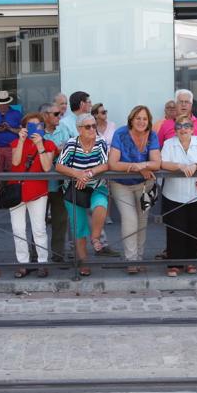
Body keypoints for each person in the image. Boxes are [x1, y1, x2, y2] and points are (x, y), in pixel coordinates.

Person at [160, 113, 197, 276]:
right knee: (175, 228)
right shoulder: (169, 143)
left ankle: (192, 260)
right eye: (179, 126)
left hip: (196, 193)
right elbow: (162, 163)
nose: (182, 129)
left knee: (194, 228)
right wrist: (179, 166)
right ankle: (174, 263)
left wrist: (196, 165)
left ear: (192, 129)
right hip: (173, 193)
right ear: (175, 130)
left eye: (186, 126)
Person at [55, 113, 110, 277]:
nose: (92, 129)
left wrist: (89, 173)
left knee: (101, 205)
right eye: (88, 127)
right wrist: (77, 174)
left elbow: (106, 164)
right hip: (74, 189)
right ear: (79, 129)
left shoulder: (101, 142)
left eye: (94, 126)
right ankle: (83, 262)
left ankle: (95, 238)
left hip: (96, 186)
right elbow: (59, 166)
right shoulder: (71, 144)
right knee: (79, 228)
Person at [109, 105, 162, 273]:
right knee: (130, 219)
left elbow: (156, 163)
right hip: (120, 184)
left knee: (142, 220)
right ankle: (131, 260)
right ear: (131, 119)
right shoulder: (120, 133)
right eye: (138, 118)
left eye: (145, 119)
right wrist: (139, 167)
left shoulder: (152, 135)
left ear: (149, 121)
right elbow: (113, 164)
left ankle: (139, 257)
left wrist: (144, 165)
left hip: (147, 185)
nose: (141, 121)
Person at [9, 112, 56, 278]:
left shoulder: (48, 144)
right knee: (18, 229)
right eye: (30, 126)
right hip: (17, 190)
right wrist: (21, 141)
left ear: (42, 127)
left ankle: (42, 263)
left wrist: (40, 145)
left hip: (38, 191)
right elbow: (15, 162)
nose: (34, 129)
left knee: (39, 229)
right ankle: (23, 263)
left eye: (37, 125)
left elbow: (46, 167)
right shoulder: (16, 142)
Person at [42, 102, 72, 264]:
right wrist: (55, 149)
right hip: (41, 185)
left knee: (60, 221)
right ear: (45, 116)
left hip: (60, 184)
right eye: (55, 114)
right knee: (38, 223)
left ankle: (58, 255)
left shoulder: (64, 130)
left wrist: (51, 151)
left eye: (60, 114)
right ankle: (36, 256)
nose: (59, 117)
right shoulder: (38, 132)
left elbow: (69, 150)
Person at [0, 90, 22, 171]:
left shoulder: (17, 113)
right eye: (1, 104)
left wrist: (10, 128)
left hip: (13, 149)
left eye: (5, 103)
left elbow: (22, 131)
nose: (3, 105)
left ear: (8, 103)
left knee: (13, 171)